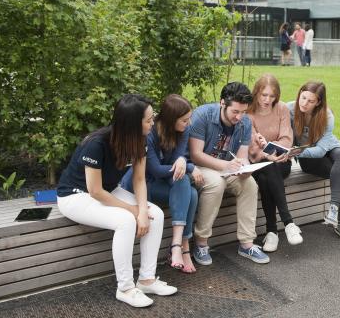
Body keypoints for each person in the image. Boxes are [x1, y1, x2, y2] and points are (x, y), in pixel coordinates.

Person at [56, 94, 177, 308]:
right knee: (126, 221)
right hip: (75, 196)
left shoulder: (140, 140)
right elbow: (94, 191)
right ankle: (126, 288)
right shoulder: (96, 143)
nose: (153, 122)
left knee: (154, 214)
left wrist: (141, 211)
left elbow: (139, 180)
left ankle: (147, 279)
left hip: (109, 191)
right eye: (149, 119)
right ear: (132, 123)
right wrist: (132, 211)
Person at [188, 82, 270, 264]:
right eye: (235, 112)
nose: (239, 117)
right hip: (200, 167)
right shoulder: (202, 115)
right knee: (217, 183)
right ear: (222, 103)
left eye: (243, 112)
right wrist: (228, 165)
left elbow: (241, 157)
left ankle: (247, 244)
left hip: (226, 167)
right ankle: (201, 243)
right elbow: (195, 155)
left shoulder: (245, 122)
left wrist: (244, 169)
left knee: (249, 184)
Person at [121, 94, 200, 274]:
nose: (188, 123)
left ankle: (177, 245)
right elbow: (155, 169)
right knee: (186, 183)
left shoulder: (183, 129)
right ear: (172, 119)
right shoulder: (150, 133)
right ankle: (181, 248)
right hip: (142, 184)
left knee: (190, 190)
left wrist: (181, 159)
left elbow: (176, 158)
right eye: (184, 120)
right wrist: (186, 165)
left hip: (161, 181)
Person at [286, 81, 340, 242]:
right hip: (308, 157)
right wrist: (295, 151)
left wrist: (297, 151)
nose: (304, 103)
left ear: (318, 102)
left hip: (325, 148)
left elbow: (321, 150)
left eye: (310, 101)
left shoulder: (327, 115)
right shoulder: (288, 109)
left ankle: (335, 212)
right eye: (303, 98)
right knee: (339, 173)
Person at [247, 74, 303, 252]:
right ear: (256, 93)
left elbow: (287, 137)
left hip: (281, 160)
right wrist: (266, 153)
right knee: (265, 173)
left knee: (268, 173)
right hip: (257, 162)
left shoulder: (281, 109)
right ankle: (288, 223)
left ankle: (272, 231)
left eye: (272, 96)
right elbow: (252, 145)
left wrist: (275, 152)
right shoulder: (248, 112)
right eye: (264, 95)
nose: (267, 100)